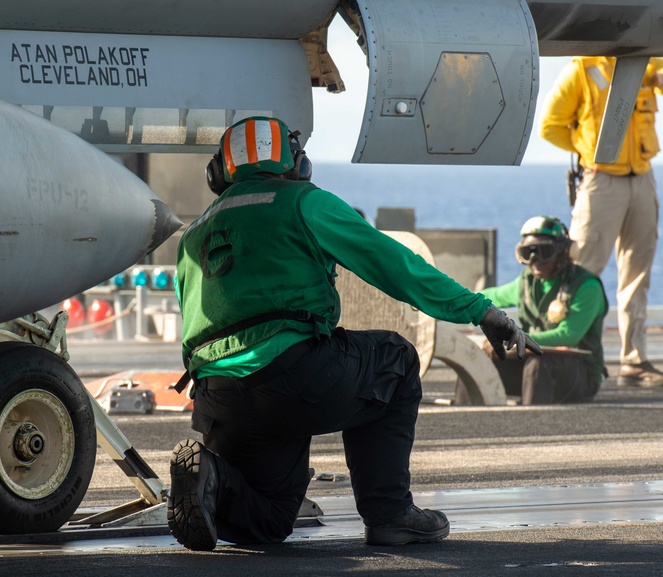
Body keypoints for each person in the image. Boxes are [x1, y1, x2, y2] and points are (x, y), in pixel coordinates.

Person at [167, 116, 541, 551]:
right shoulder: (302, 202)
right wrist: (481, 311)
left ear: (218, 173)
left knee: (268, 523)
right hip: (294, 377)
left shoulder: (192, 235)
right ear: (296, 165)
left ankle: (210, 476)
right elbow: (395, 265)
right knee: (396, 359)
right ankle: (389, 515)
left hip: (217, 396)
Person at [539, 56, 663, 387]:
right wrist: (587, 151)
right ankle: (570, 354)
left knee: (637, 275)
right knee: (581, 270)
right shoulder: (581, 69)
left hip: (643, 178)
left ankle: (634, 360)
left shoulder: (649, 65)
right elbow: (550, 127)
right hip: (601, 179)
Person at [455, 216, 608, 405]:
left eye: (545, 252)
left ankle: (530, 425)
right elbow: (489, 297)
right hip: (530, 364)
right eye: (528, 253)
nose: (535, 260)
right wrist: (451, 299)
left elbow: (568, 336)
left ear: (564, 252)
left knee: (538, 364)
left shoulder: (587, 286)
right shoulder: (526, 282)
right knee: (475, 363)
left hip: (578, 374)